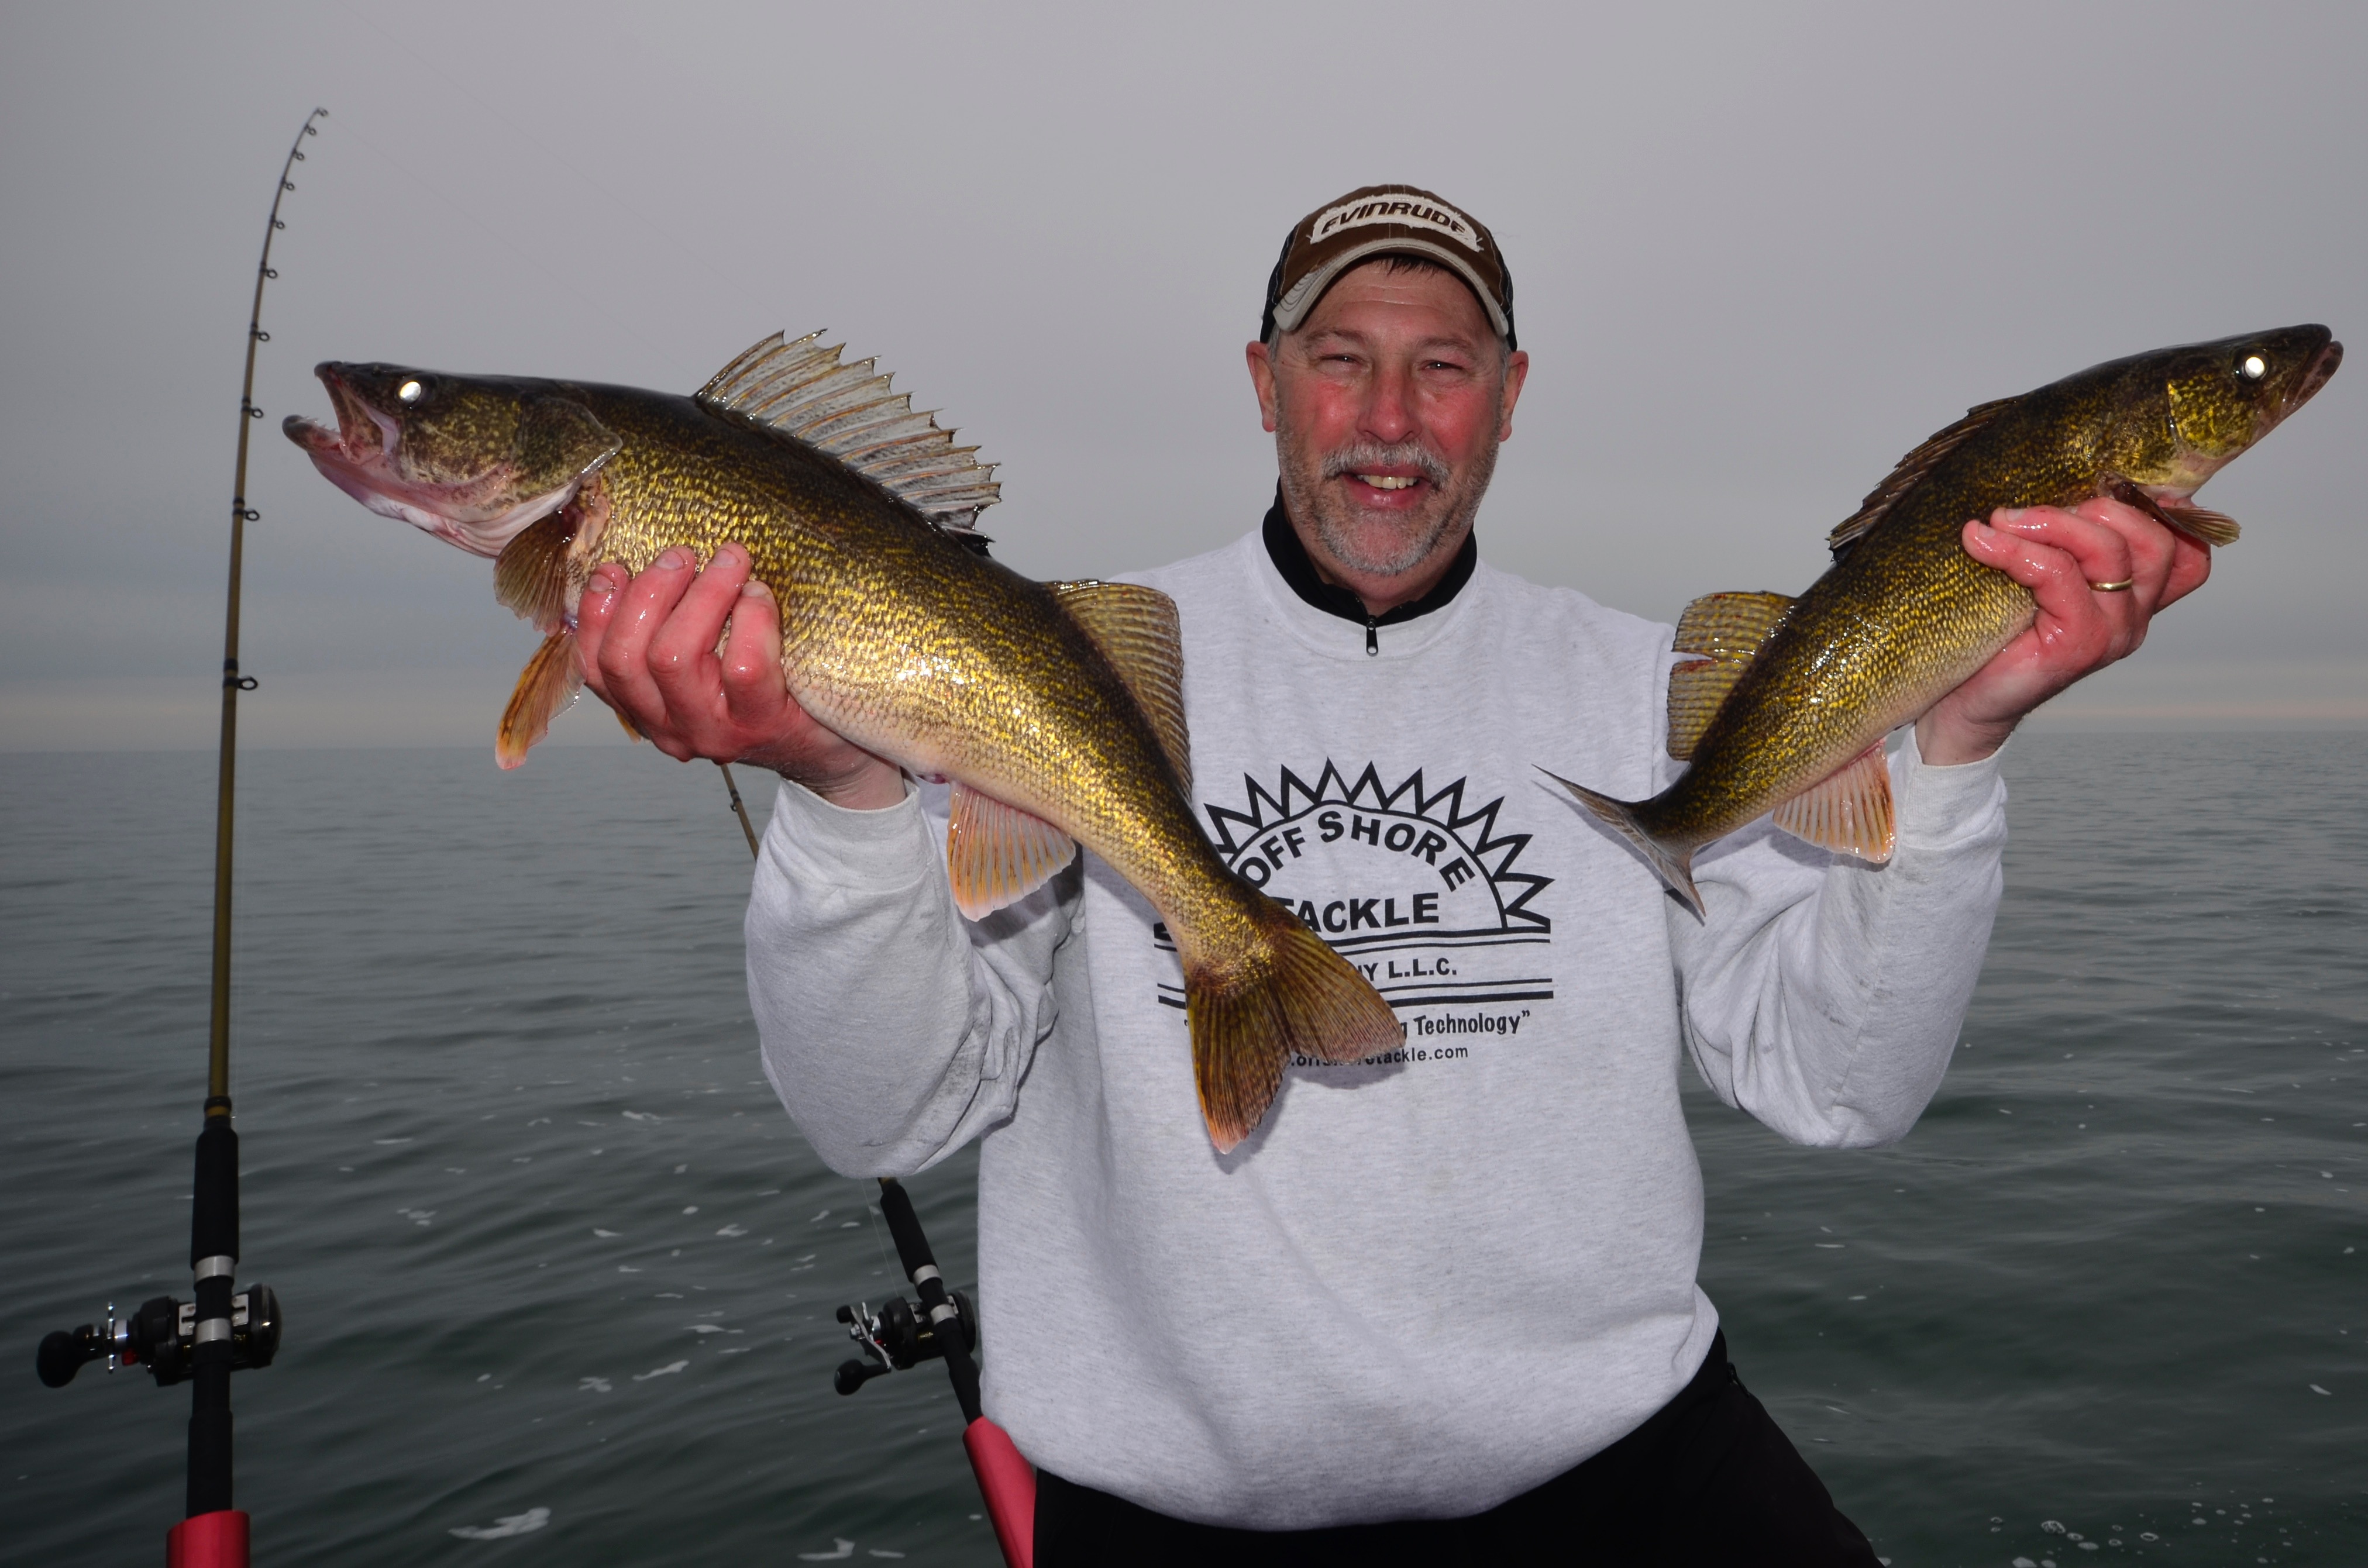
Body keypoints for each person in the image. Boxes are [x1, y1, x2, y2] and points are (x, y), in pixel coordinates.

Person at [573, 185, 2208, 1564]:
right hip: (1164, 1512)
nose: (1389, 419)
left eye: (1444, 366)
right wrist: (843, 793)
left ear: (1511, 393)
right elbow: (885, 1120)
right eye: (1339, 359)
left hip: (1628, 1471)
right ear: (1264, 382)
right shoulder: (1044, 668)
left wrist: (1959, 747)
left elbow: (1836, 1089)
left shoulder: (1654, 687)